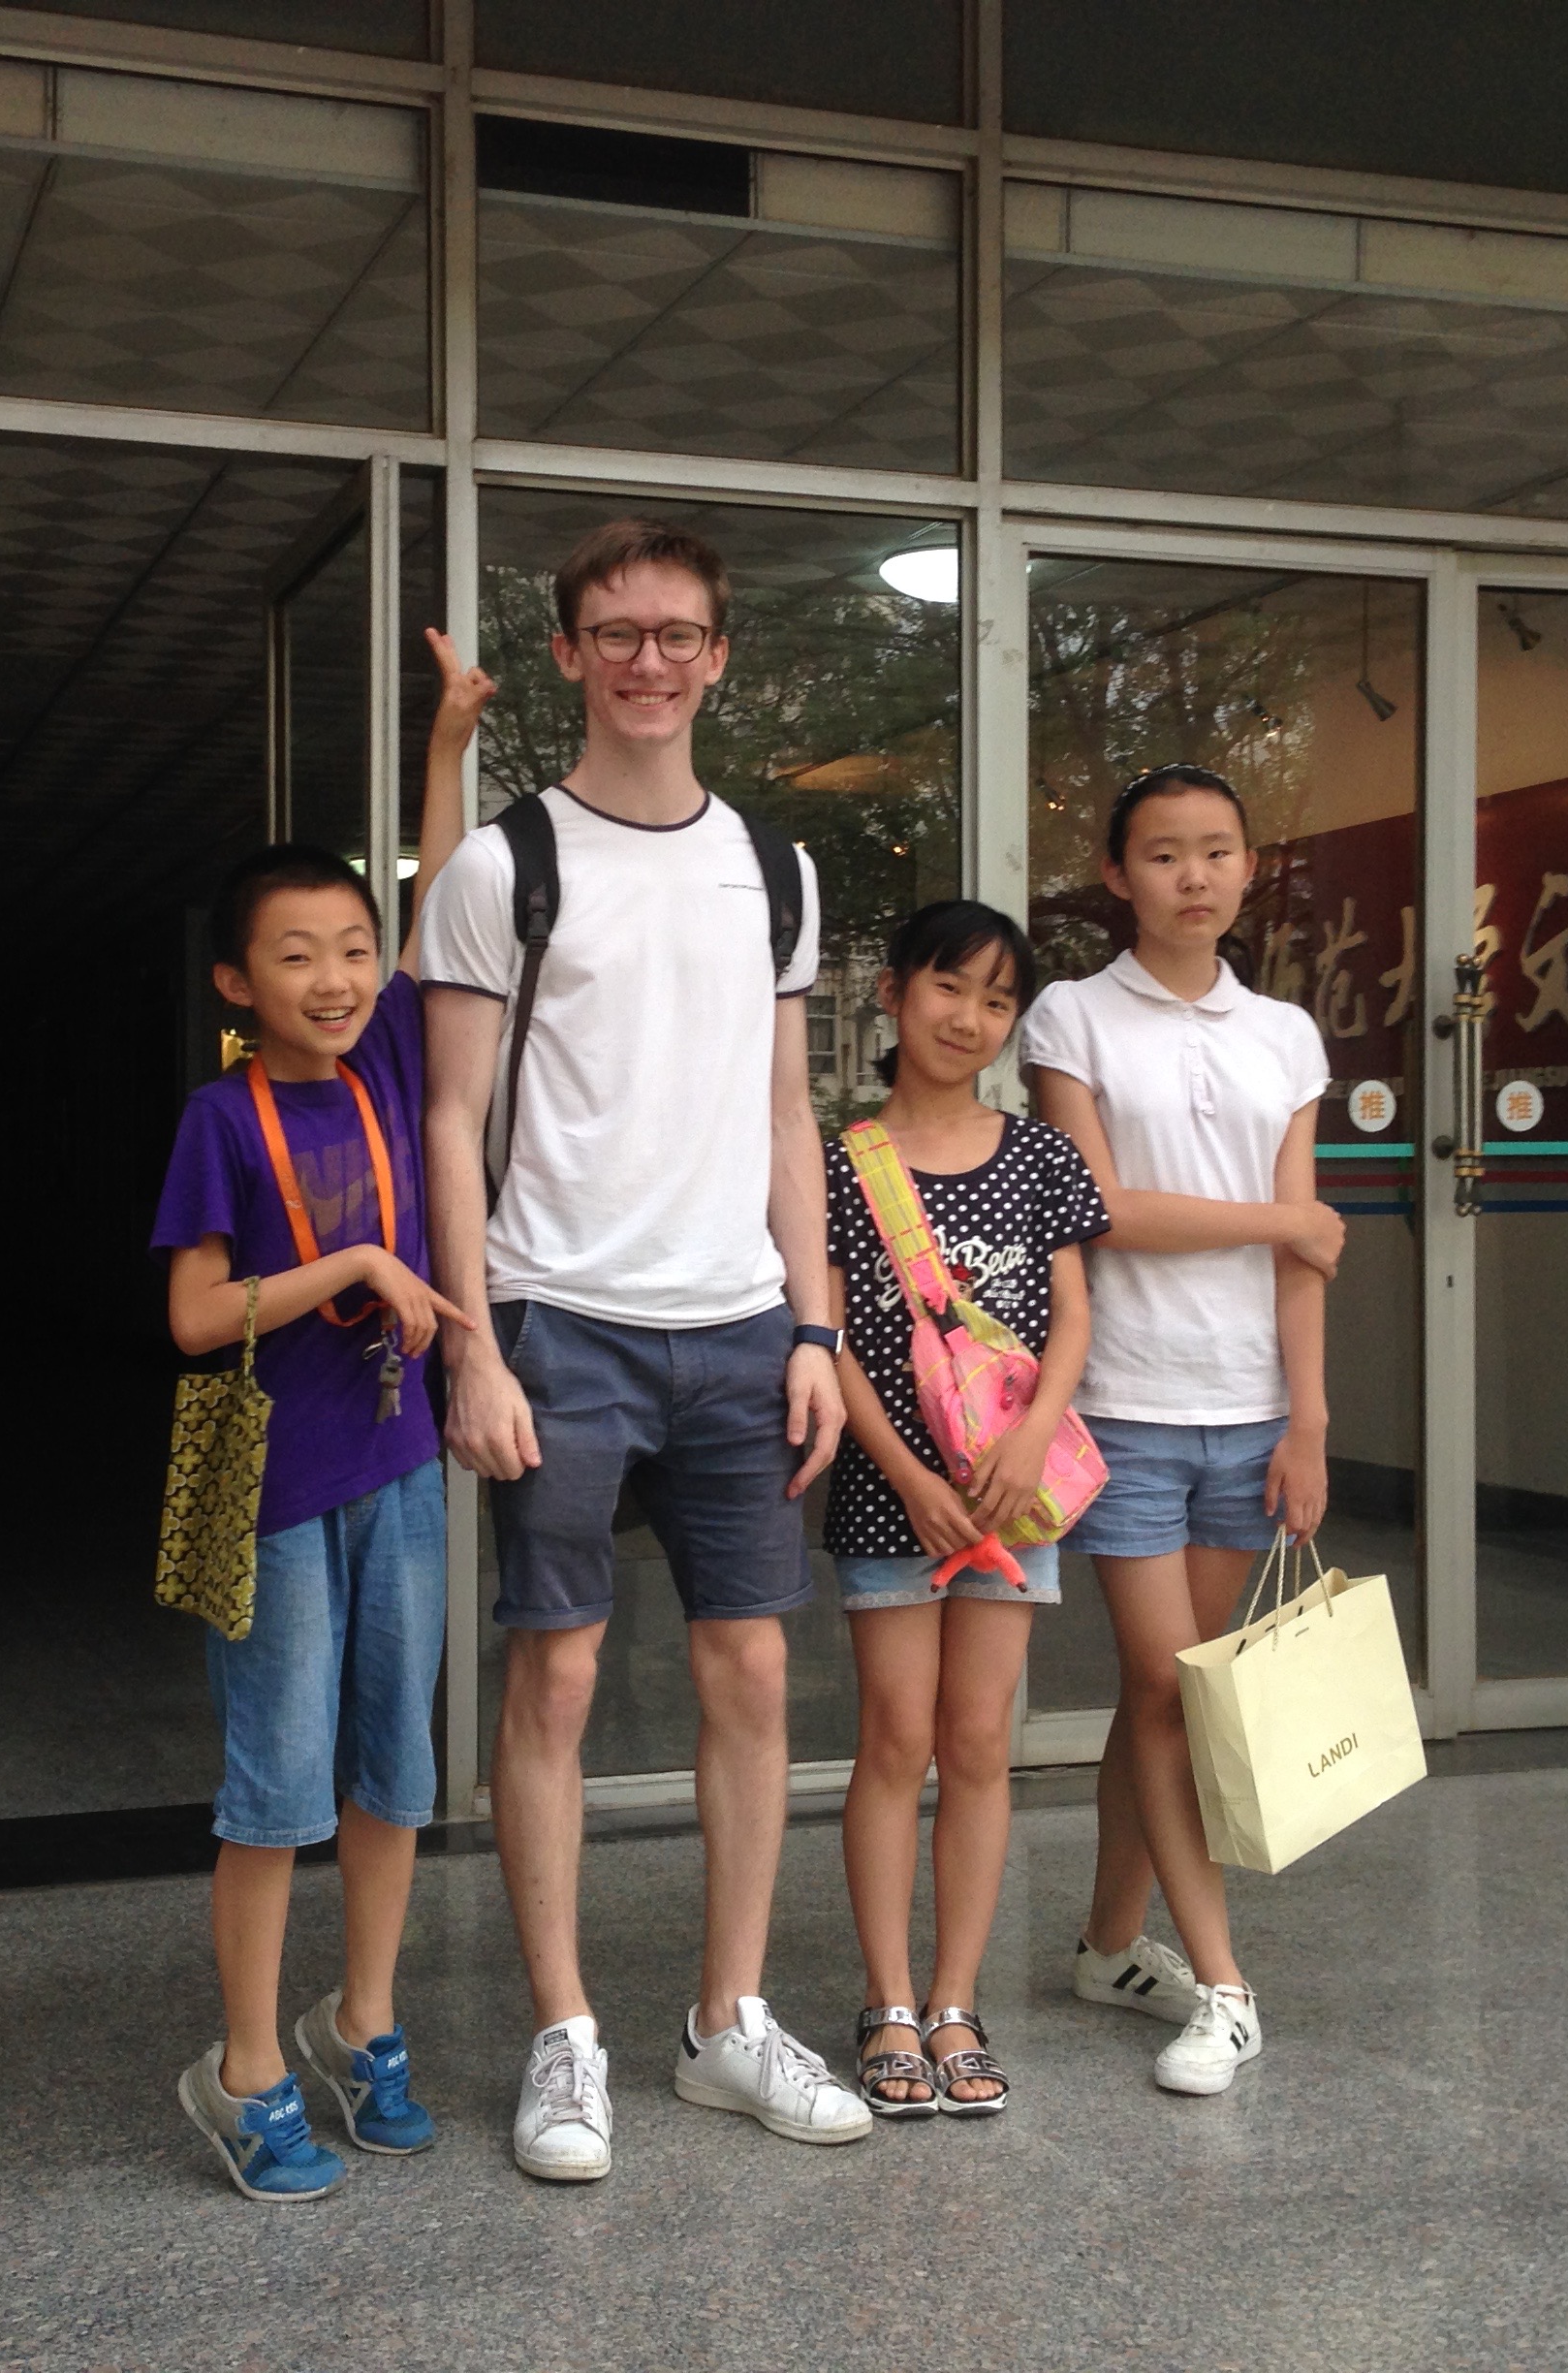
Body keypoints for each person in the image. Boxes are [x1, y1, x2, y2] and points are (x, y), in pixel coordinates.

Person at [417, 516, 871, 2183]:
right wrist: (473, 1347)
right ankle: (563, 2030)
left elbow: (787, 1112)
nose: (648, 660)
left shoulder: (774, 868)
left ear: (718, 656)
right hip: (559, 1316)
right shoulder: (505, 865)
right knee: (555, 1671)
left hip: (738, 1324)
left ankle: (723, 2018)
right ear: (566, 654)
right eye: (615, 632)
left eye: (678, 633)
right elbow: (450, 1119)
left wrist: (813, 1322)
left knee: (751, 1670)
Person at [152, 629, 488, 2201]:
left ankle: (363, 2025)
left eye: (350, 946)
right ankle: (243, 2068)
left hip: (398, 1465)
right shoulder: (219, 1117)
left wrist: (447, 741)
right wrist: (352, 1263)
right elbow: (192, 1318)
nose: (337, 978)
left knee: (392, 1774)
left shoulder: (390, 1057)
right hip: (269, 1486)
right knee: (275, 1787)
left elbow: (439, 896)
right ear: (236, 982)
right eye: (295, 956)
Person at [1019, 762, 1343, 2100]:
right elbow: (1098, 1208)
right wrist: (1283, 1219)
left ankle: (1110, 1945)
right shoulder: (1071, 1017)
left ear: (1250, 867)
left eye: (1216, 850)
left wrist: (1309, 1418)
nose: (1193, 875)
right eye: (1162, 854)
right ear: (1117, 874)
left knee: (1173, 1698)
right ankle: (1224, 1984)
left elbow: (1306, 1259)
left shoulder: (1286, 1036)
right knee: (1171, 1693)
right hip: (1126, 1408)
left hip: (1250, 1408)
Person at [826, 901, 1108, 2120]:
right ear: (894, 991)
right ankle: (887, 2001)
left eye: (998, 1001)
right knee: (897, 1738)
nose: (971, 1018)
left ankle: (954, 2002)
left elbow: (1075, 1314)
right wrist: (906, 1474)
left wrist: (1034, 1436)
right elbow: (828, 1335)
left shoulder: (1040, 1154)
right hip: (893, 1493)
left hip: (1012, 1495)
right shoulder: (840, 1160)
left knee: (981, 1741)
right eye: (950, 987)